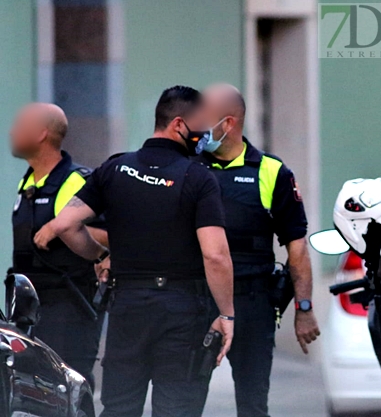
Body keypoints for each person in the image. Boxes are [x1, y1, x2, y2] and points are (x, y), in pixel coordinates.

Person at [50, 86, 235, 417]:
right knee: (176, 408)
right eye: (203, 126)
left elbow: (65, 224)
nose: (207, 135)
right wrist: (226, 314)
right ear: (179, 124)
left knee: (120, 407)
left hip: (127, 308)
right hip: (182, 310)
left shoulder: (114, 169)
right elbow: (216, 255)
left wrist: (98, 256)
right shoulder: (199, 178)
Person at [195, 83, 320, 417]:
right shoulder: (191, 168)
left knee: (252, 404)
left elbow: (297, 245)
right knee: (183, 401)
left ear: (229, 123)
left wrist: (304, 308)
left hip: (252, 302)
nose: (196, 124)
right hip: (196, 300)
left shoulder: (271, 172)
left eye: (203, 115)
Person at [9, 102, 106, 388]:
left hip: (68, 307)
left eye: (19, 126)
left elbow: (108, 234)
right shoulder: (29, 182)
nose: (11, 132)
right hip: (32, 306)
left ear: (41, 134)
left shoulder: (75, 181)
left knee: (69, 387)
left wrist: (59, 228)